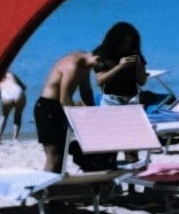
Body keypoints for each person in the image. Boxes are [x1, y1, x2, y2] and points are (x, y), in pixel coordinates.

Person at [33, 23, 145, 172]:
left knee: (61, 154)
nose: (98, 71)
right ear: (99, 59)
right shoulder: (74, 65)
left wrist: (93, 114)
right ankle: (45, 190)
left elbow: (86, 91)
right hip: (48, 106)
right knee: (54, 155)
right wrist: (82, 123)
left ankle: (54, 188)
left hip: (58, 107)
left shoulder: (85, 64)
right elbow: (64, 98)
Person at [0, 69, 26, 141]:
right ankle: (14, 138)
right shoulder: (11, 74)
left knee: (4, 116)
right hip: (18, 91)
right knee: (18, 115)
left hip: (6, 94)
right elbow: (24, 87)